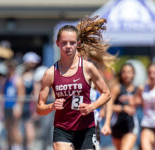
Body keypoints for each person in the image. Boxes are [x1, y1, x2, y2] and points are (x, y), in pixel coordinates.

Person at [36, 16, 113, 150]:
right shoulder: (50, 73)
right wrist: (51, 106)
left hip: (86, 128)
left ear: (78, 43)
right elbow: (39, 108)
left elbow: (107, 94)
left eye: (72, 43)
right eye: (64, 43)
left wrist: (91, 106)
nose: (68, 47)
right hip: (62, 129)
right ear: (57, 43)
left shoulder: (87, 68)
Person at [110, 63, 139, 150]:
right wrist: (123, 108)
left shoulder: (138, 90)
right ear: (121, 74)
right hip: (117, 125)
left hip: (131, 125)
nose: (127, 75)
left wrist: (138, 102)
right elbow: (108, 106)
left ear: (133, 74)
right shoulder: (117, 88)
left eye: (129, 72)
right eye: (124, 72)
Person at [3, 60, 25, 150]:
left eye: (10, 67)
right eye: (8, 67)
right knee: (8, 129)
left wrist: (18, 107)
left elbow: (21, 95)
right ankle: (10, 146)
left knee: (15, 128)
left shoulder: (17, 79)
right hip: (6, 107)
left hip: (14, 107)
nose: (9, 69)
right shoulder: (5, 80)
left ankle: (17, 147)